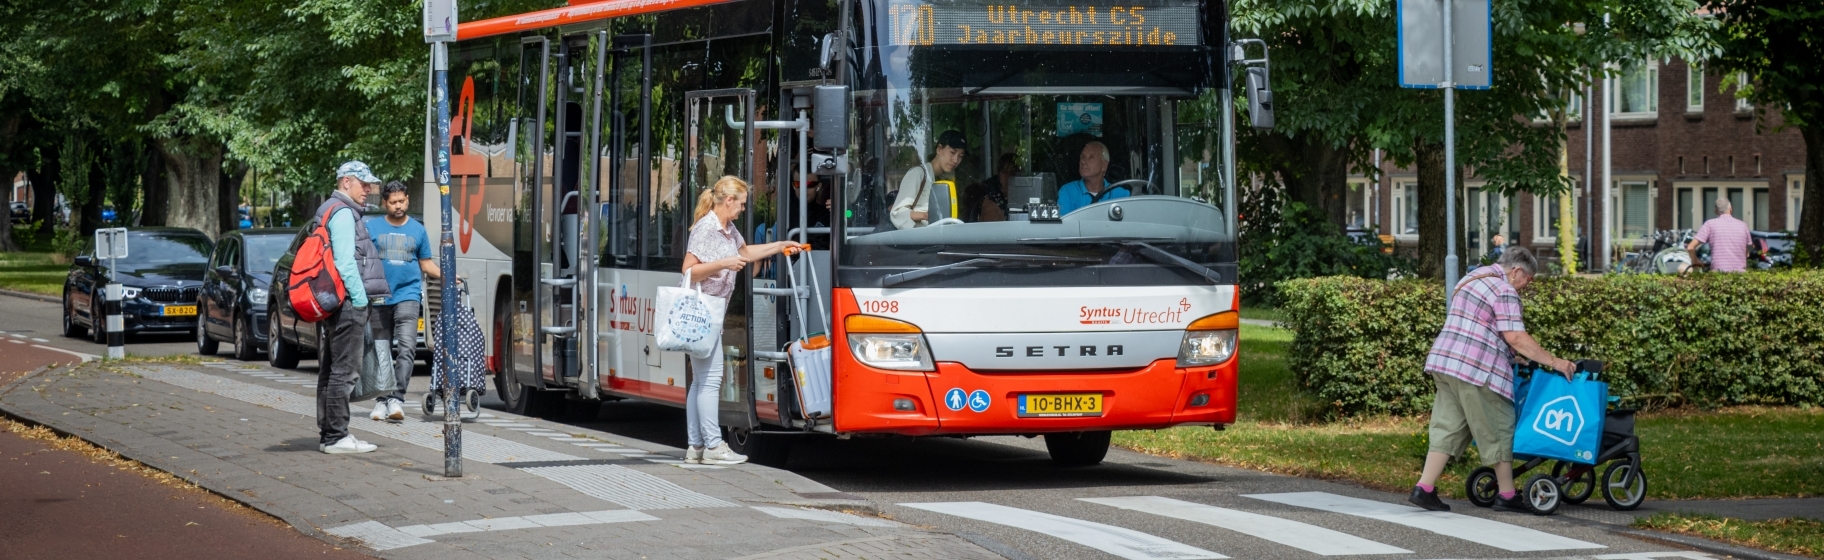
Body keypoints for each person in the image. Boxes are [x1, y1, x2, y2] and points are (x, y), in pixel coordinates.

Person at [1408, 246, 1575, 513]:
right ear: (1517, 271)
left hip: (1446, 362)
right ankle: (1507, 495)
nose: (1526, 287)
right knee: (1499, 425)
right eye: (1527, 281)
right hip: (1477, 369)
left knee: (1448, 427)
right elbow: (1516, 337)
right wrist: (1555, 362)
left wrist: (1510, 357)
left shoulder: (1471, 278)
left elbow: (1479, 325)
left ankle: (1424, 488)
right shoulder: (1504, 289)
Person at [681, 176, 809, 465]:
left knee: (700, 381)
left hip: (711, 313)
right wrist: (724, 264)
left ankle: (696, 447)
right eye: (740, 204)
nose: (741, 209)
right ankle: (713, 446)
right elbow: (689, 270)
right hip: (703, 313)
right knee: (710, 379)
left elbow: (746, 253)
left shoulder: (727, 229)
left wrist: (779, 246)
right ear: (728, 201)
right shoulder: (707, 229)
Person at [317, 161, 393, 454]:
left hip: (333, 301)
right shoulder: (344, 213)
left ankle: (329, 434)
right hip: (347, 302)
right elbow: (346, 262)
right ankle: (337, 436)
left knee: (331, 370)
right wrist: (360, 300)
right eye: (364, 185)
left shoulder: (328, 208)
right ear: (346, 182)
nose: (370, 190)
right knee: (344, 372)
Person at [366, 181, 439, 423]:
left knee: (407, 348)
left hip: (408, 295)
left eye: (402, 201)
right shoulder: (372, 227)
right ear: (384, 203)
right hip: (379, 295)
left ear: (407, 199)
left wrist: (448, 276)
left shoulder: (418, 230)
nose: (398, 206)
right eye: (393, 202)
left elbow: (425, 263)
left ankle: (397, 398)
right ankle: (381, 400)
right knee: (381, 350)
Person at [889, 130, 965, 230]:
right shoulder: (918, 173)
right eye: (952, 152)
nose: (955, 160)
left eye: (960, 156)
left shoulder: (941, 179)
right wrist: (927, 215)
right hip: (918, 241)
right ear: (939, 150)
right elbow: (897, 213)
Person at [1057, 141, 1127, 215]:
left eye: (1091, 157)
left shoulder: (1121, 195)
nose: (1083, 161)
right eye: (1082, 157)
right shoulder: (1068, 191)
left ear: (1104, 165)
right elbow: (1065, 224)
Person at [1687, 197, 1752, 272]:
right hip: (1740, 275)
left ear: (1715, 211)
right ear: (1731, 209)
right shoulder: (1743, 225)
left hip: (1718, 274)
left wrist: (1695, 261)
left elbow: (1690, 247)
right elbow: (1746, 254)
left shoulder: (1710, 224)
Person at [964, 153, 1018, 222]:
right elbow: (992, 231)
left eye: (1013, 172)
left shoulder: (1027, 199)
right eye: (1004, 172)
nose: (1009, 176)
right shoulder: (991, 203)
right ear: (999, 176)